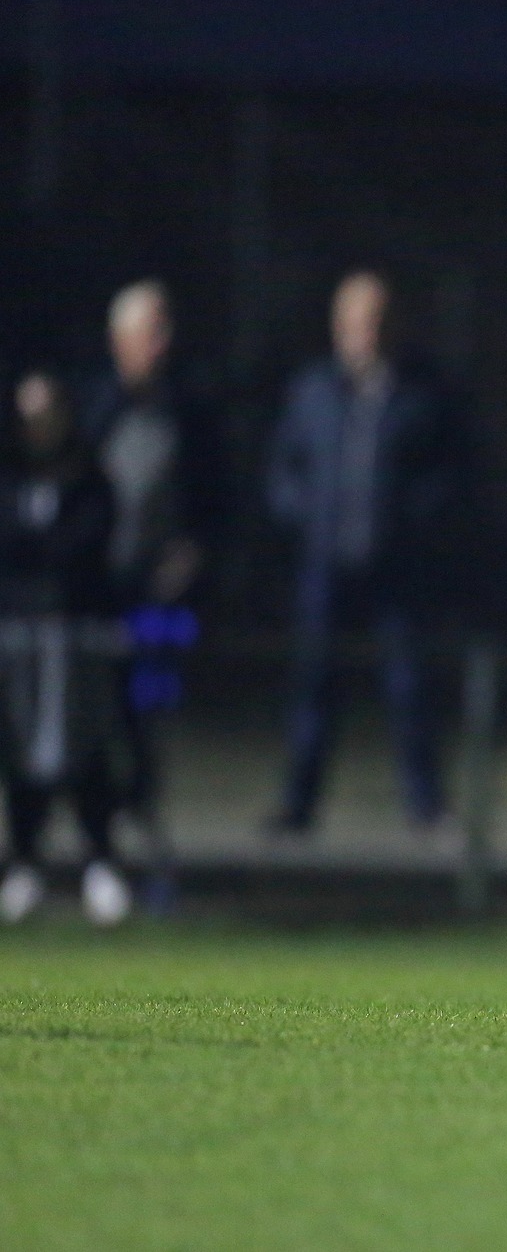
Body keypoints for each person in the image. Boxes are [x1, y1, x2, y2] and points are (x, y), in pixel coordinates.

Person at [266, 270, 469, 833]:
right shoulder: (312, 392)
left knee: (409, 688)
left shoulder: (424, 396)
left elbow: (450, 477)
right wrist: (307, 520)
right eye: (356, 322)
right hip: (324, 569)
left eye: (377, 322)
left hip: (397, 570)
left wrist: (413, 522)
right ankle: (298, 805)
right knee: (313, 686)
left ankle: (425, 806)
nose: (367, 334)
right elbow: (284, 471)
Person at [76, 280, 219, 906]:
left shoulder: (189, 410)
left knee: (146, 719)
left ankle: (147, 838)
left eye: (164, 330)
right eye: (145, 332)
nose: (157, 345)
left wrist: (193, 553)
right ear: (118, 340)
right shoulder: (92, 406)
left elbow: (216, 501)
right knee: (86, 723)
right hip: (94, 598)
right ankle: (94, 851)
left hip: (160, 605)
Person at [0, 372, 127, 925]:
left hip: (76, 634)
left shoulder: (88, 476)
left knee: (84, 746)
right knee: (21, 747)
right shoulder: (10, 478)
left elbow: (83, 548)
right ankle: (25, 861)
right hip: (17, 635)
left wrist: (43, 561)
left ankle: (100, 861)